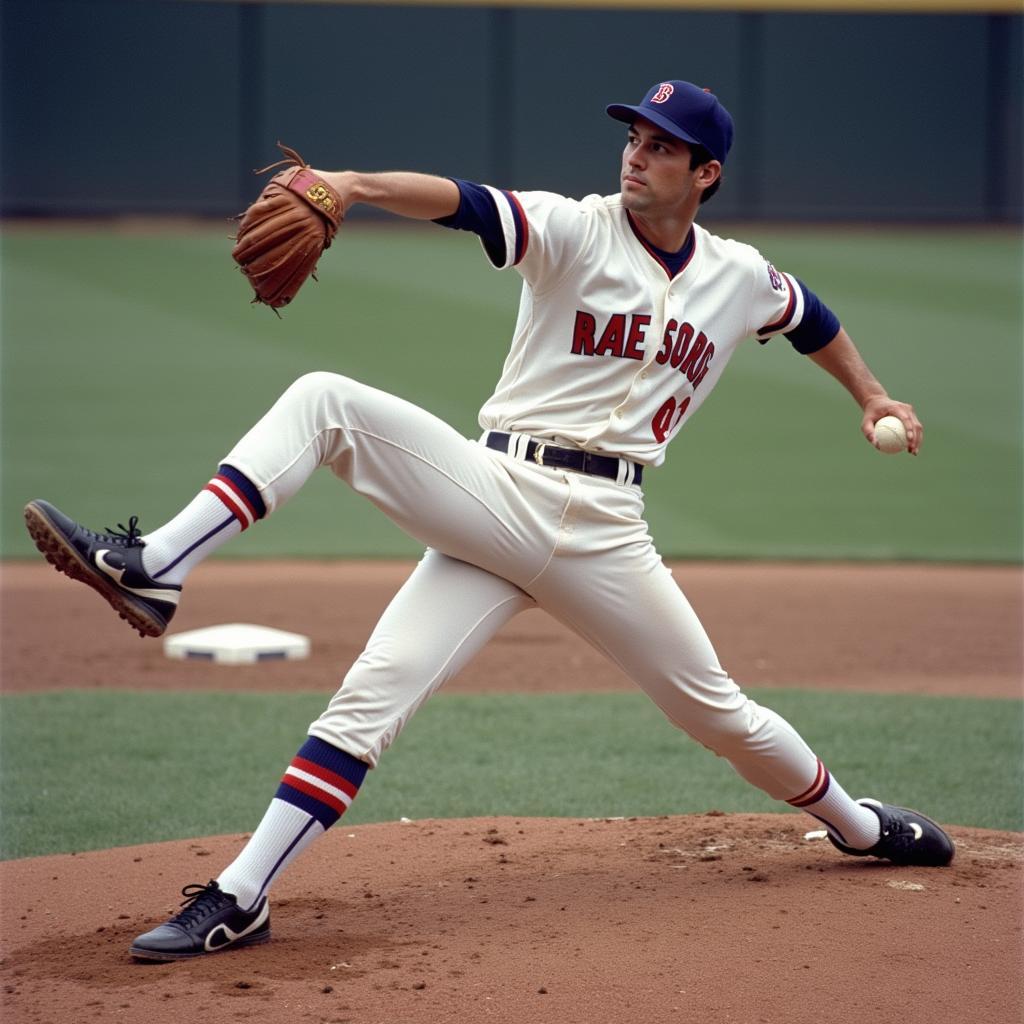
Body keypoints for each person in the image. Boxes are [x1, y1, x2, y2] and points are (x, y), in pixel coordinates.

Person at [24, 80, 953, 962]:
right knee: (332, 451)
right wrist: (350, 184)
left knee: (723, 717)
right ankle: (236, 881)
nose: (637, 156)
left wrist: (873, 393)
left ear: (706, 173)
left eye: (663, 147)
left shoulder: (738, 277)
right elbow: (460, 201)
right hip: (498, 492)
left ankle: (862, 827)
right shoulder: (575, 227)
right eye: (633, 137)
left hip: (609, 532)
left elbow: (810, 316)